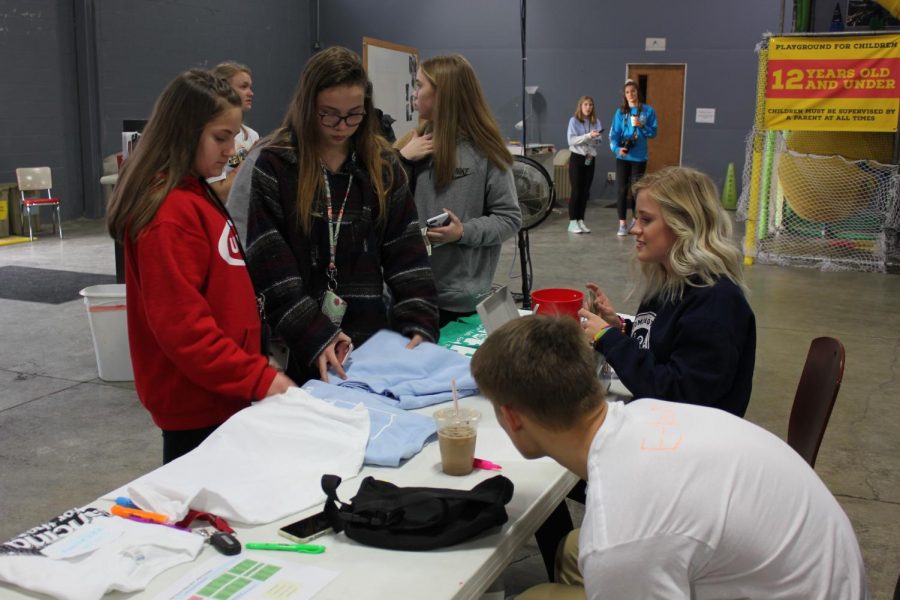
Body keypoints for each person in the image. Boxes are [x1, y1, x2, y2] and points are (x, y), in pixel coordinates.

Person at [471, 316, 868, 600]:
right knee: (575, 552)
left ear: (510, 416)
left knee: (540, 593)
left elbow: (623, 544)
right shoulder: (648, 414)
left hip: (807, 584)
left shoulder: (620, 530)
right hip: (821, 574)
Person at [106, 70, 294, 463]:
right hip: (198, 405)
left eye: (235, 137)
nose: (230, 150)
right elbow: (184, 331)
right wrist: (258, 377)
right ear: (183, 132)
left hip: (223, 392)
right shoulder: (169, 214)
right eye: (221, 138)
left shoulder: (196, 192)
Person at [243, 47, 439, 384]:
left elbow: (406, 252)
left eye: (354, 114)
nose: (342, 126)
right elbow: (272, 270)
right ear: (307, 107)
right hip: (296, 346)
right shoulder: (275, 164)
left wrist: (418, 319)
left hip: (369, 344)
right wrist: (317, 334)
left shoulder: (381, 164)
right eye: (329, 114)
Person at [580, 166, 756, 417]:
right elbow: (666, 345)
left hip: (689, 441)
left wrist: (608, 339)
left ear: (683, 224)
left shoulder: (716, 302)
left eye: (646, 220)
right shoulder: (669, 282)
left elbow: (678, 393)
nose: (634, 229)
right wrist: (620, 328)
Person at [397, 54, 521, 326]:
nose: (414, 94)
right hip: (407, 294)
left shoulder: (486, 151)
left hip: (460, 302)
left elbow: (509, 219)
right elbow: (380, 209)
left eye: (420, 85)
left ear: (444, 93)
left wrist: (462, 232)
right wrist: (401, 161)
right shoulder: (410, 144)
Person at [608, 79, 657, 236]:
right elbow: (614, 134)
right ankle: (622, 223)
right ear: (625, 95)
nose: (630, 94)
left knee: (637, 191)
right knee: (621, 190)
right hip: (623, 156)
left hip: (639, 157)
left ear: (638, 93)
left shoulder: (648, 111)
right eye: (627, 92)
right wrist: (617, 148)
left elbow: (653, 133)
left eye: (633, 91)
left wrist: (642, 125)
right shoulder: (620, 112)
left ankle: (636, 220)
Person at [207, 61, 259, 201]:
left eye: (250, 87)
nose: (251, 93)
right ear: (224, 89)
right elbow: (219, 194)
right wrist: (249, 161)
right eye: (243, 87)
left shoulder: (252, 135)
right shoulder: (208, 134)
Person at [566, 95, 603, 234]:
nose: (588, 107)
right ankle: (572, 222)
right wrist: (588, 136)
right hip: (577, 158)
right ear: (580, 106)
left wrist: (593, 138)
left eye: (591, 105)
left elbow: (599, 141)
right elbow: (571, 140)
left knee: (585, 191)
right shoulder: (574, 121)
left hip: (590, 158)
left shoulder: (596, 121)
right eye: (586, 104)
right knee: (576, 190)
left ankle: (580, 220)